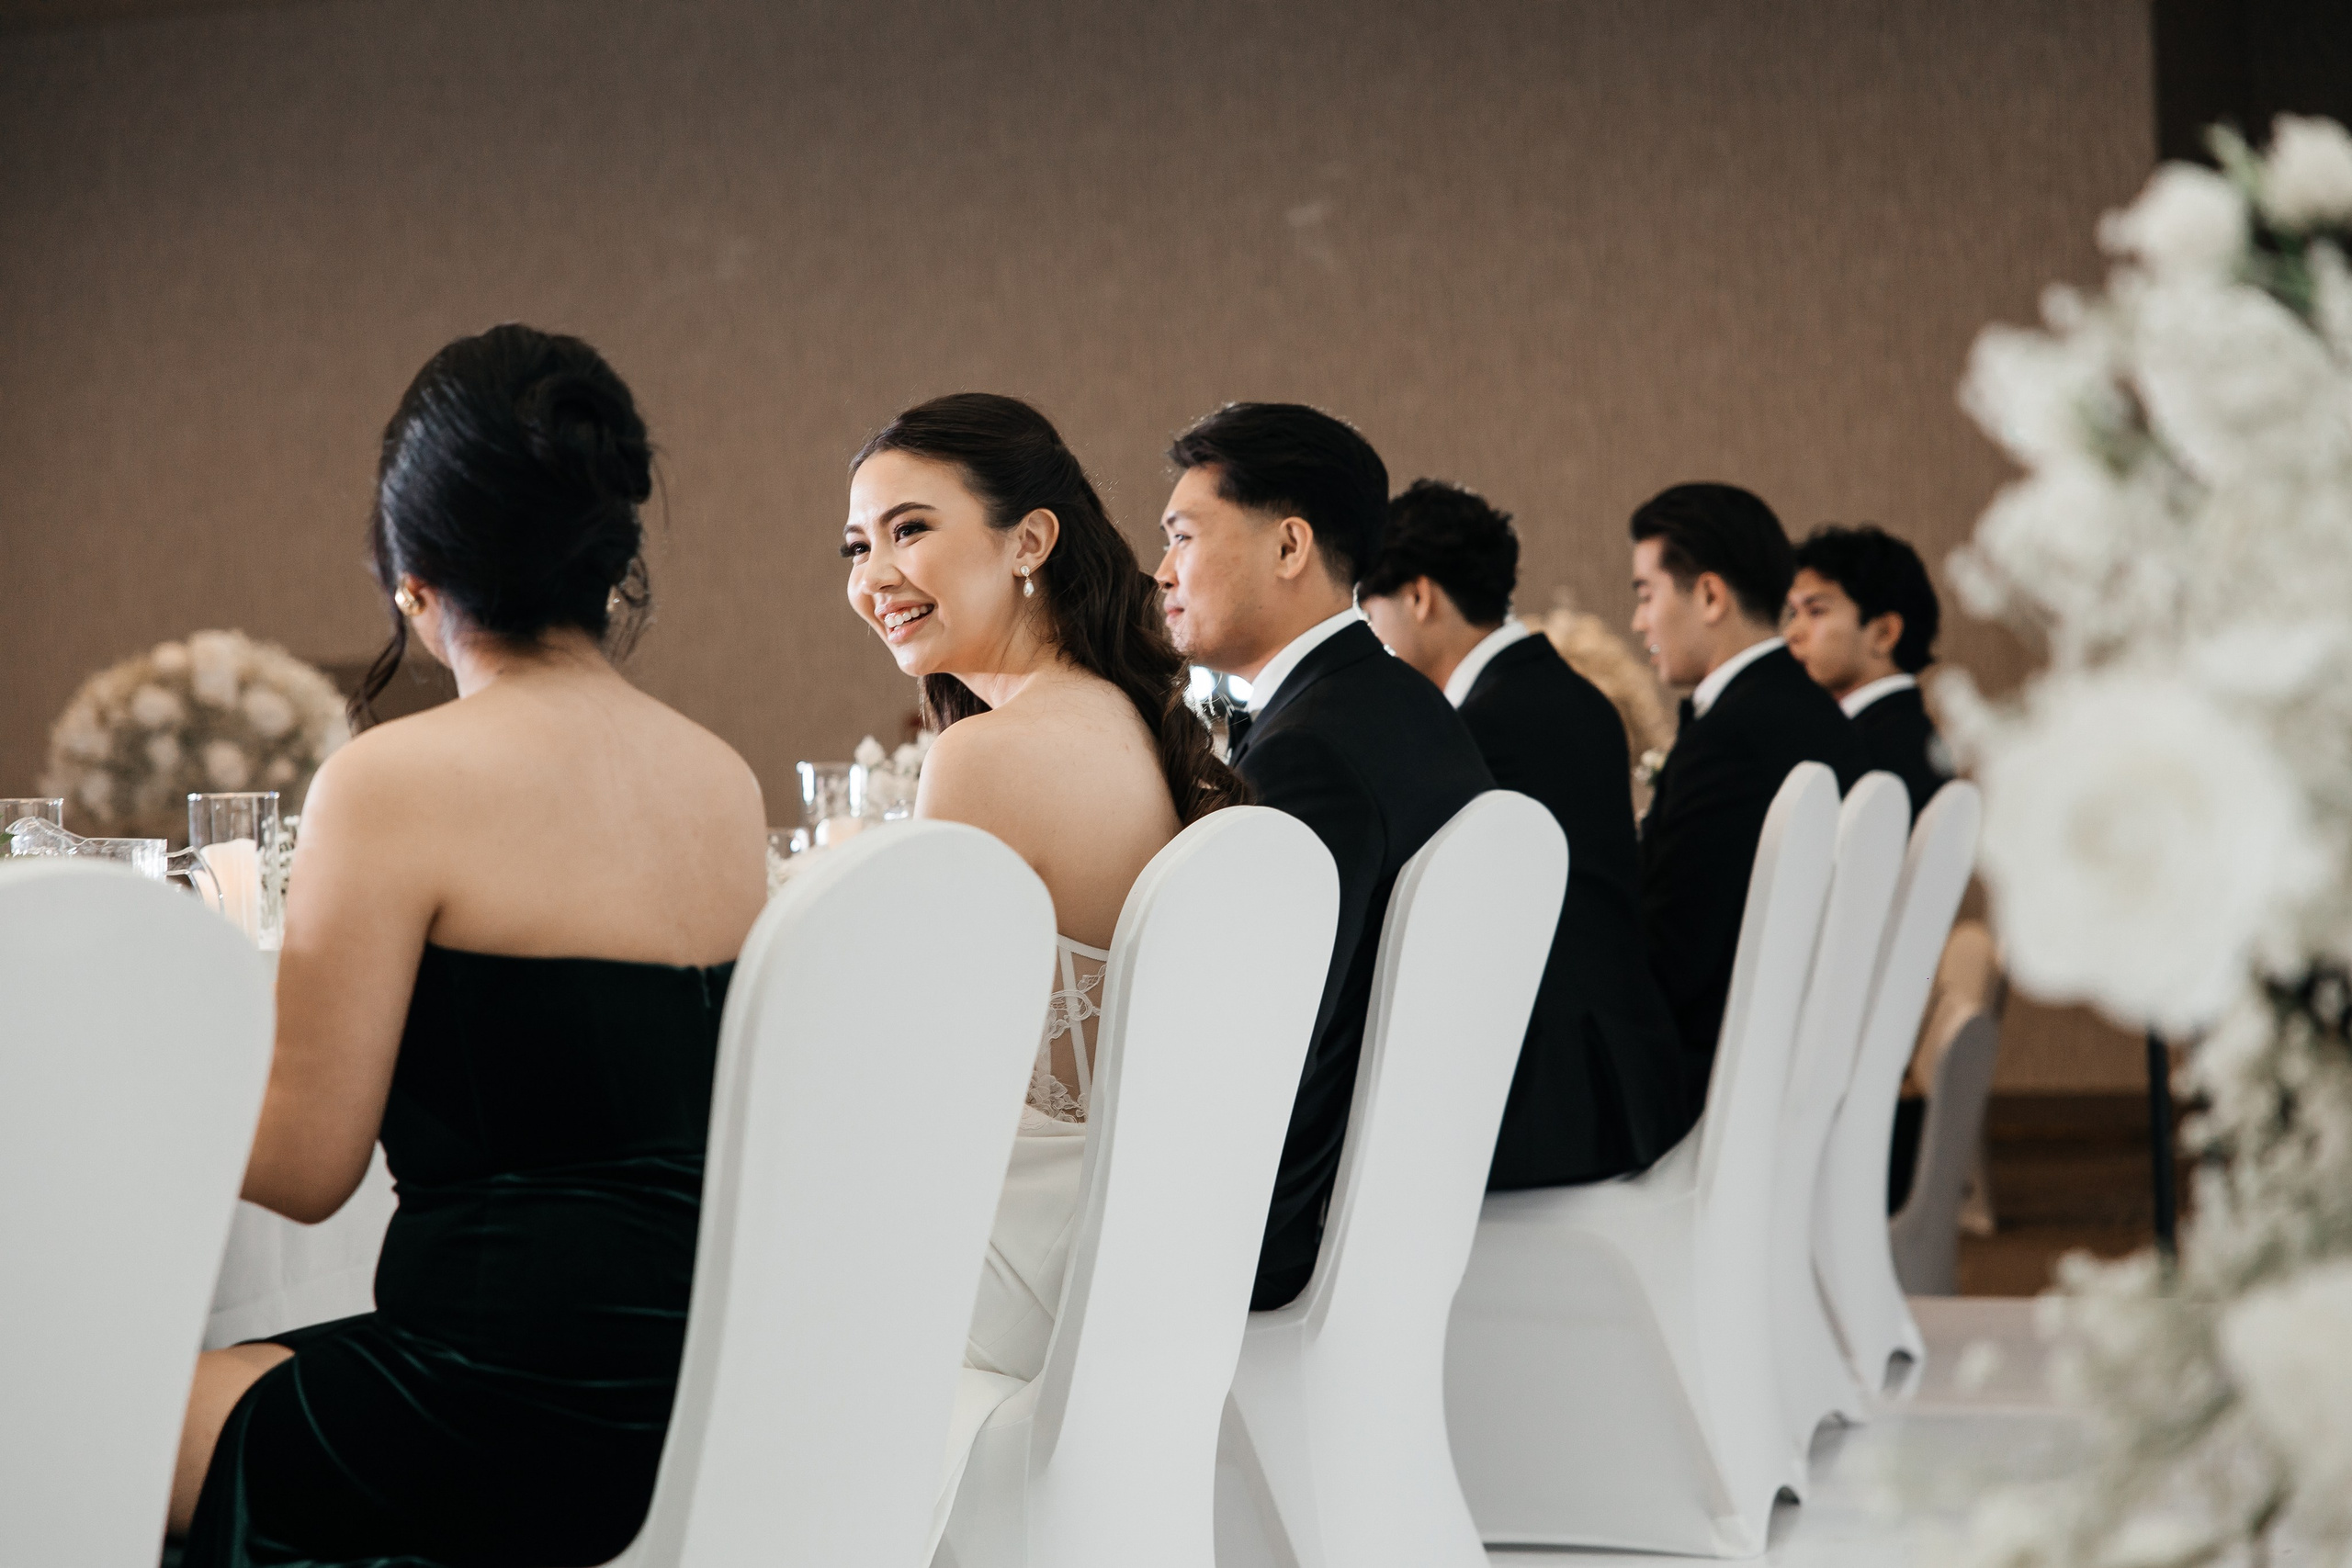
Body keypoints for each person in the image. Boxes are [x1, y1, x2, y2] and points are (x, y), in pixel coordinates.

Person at [175, 325, 771, 1567]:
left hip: (492, 1409)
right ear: (609, 562)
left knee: (82, 1407)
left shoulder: (392, 781)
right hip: (696, 1391)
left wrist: (117, 1097)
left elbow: (305, 1164)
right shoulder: (719, 779)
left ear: (413, 576)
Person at [841, 393, 1245, 1385]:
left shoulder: (984, 757)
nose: (873, 578)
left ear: (1028, 541)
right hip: (1129, 1239)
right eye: (856, 547)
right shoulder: (1123, 715)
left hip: (1016, 1256)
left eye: (910, 530)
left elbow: (927, 1075)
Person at [1156, 403, 1492, 1310]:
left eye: (1182, 537)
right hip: (1398, 1198)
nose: (1162, 573)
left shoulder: (1309, 750)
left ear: (1288, 545)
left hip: (1285, 1228)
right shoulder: (1404, 704)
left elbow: (1267, 1039)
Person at [1362, 479, 1689, 1184]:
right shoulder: (1568, 695)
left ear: (1419, 596)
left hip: (1558, 1095)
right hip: (1620, 1068)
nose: (1367, 634)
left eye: (1368, 605)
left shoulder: (1481, 729)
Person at [1631, 482, 1866, 1117]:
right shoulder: (1810, 714)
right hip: (1782, 1075)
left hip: (1709, 1090)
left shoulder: (1735, 737)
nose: (1638, 621)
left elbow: (1669, 957)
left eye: (1646, 594)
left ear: (1709, 595)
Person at [1784, 523, 1951, 819]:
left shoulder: (1867, 755)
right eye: (1793, 614)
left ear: (1884, 633)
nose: (1792, 633)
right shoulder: (1915, 736)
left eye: (1816, 611)